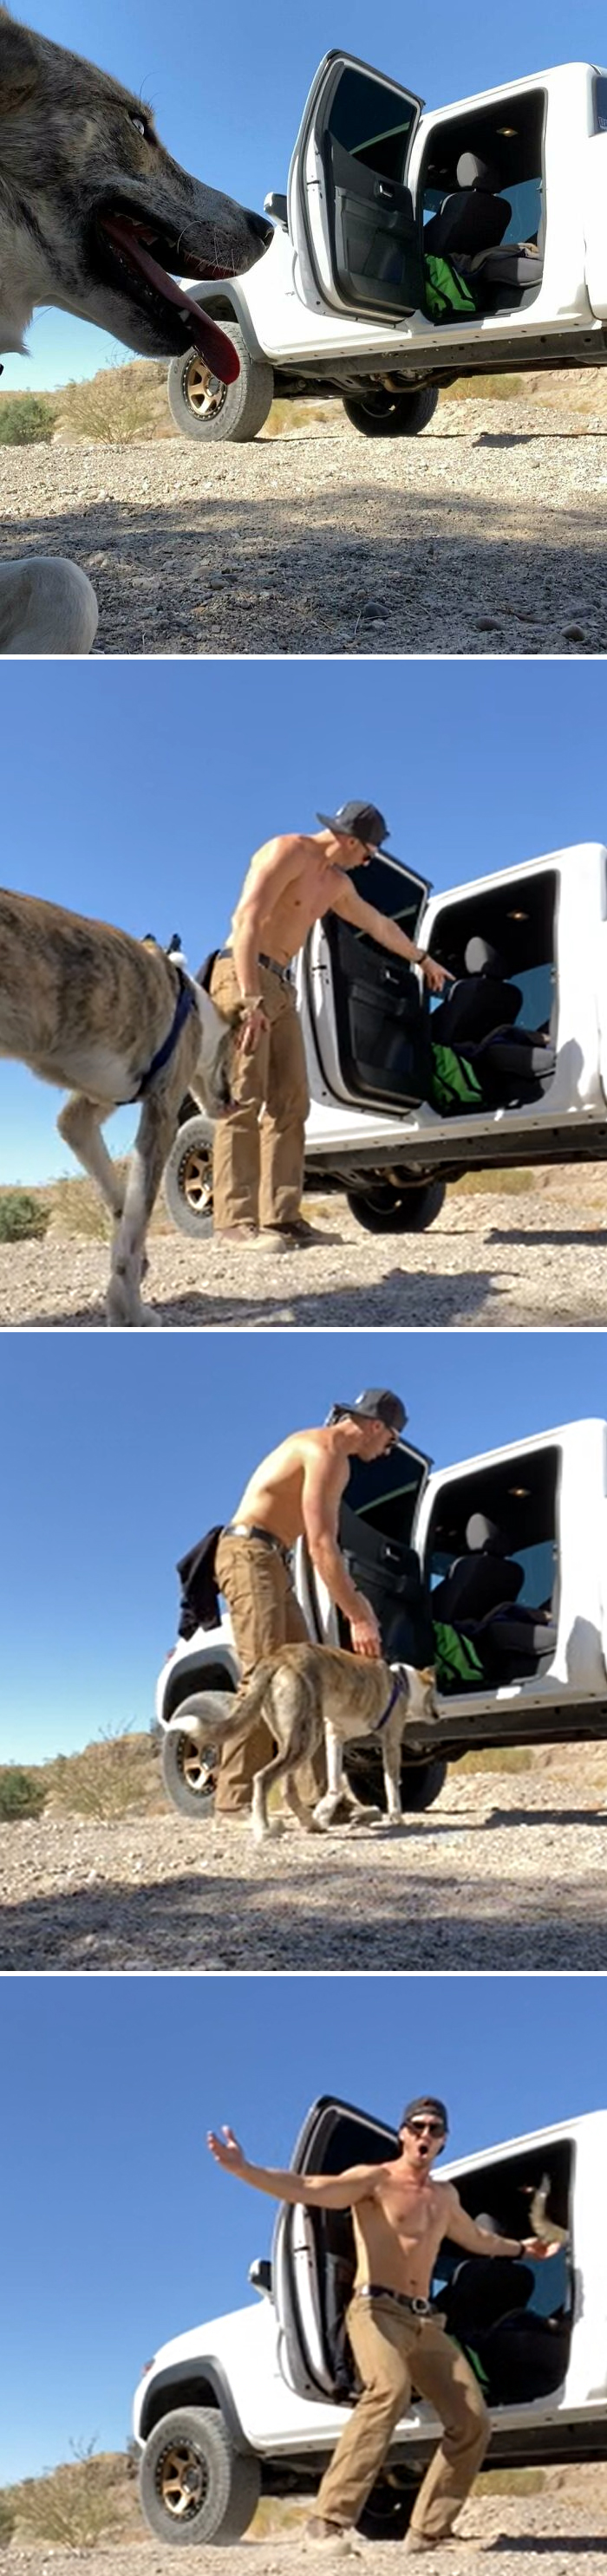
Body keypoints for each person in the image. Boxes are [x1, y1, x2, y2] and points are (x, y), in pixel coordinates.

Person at [207, 2097, 561, 2554]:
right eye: (417, 2126)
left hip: (425, 2321)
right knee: (388, 2391)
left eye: (435, 2129)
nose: (425, 2135)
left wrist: (521, 2249)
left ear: (444, 2140)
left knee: (472, 2420)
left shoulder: (444, 2196)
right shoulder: (374, 2179)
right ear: (403, 2133)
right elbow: (310, 2186)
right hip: (375, 2310)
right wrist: (244, 2169)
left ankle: (430, 2532)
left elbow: (476, 2239)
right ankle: (326, 2523)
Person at [209, 801, 451, 1249]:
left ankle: (282, 1219)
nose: (370, 860)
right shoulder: (286, 851)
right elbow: (246, 919)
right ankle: (233, 1223)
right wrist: (249, 997)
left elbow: (378, 924)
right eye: (370, 851)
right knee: (244, 1097)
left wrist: (422, 958)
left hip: (282, 987)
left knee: (291, 1103)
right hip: (244, 977)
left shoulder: (337, 884)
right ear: (353, 839)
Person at [213, 1386, 405, 1817]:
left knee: (306, 1680)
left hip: (272, 1559)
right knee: (263, 1674)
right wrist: (358, 1615)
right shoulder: (324, 1452)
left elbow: (319, 1544)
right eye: (391, 1441)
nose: (388, 1451)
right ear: (376, 1426)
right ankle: (234, 1802)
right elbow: (321, 1545)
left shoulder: (334, 1458)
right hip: (248, 1554)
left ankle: (325, 1800)